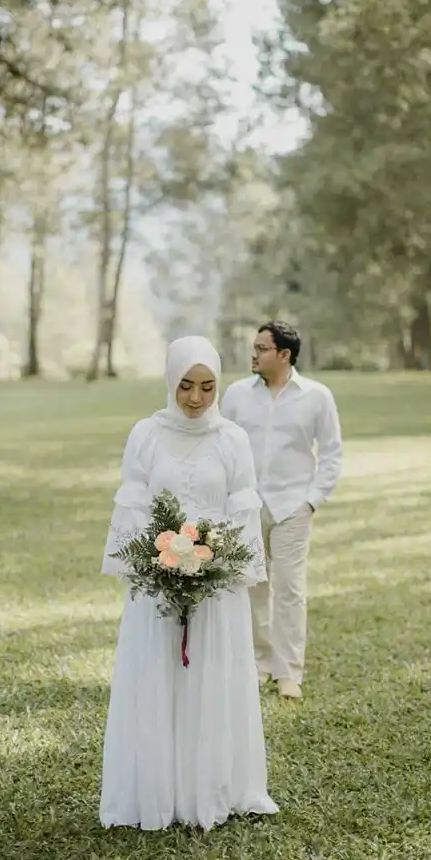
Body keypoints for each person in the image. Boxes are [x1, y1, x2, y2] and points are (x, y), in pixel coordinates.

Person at [99, 335, 279, 832]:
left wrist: (219, 566)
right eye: (185, 385)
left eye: (206, 386)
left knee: (211, 681)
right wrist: (155, 565)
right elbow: (133, 507)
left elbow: (243, 510)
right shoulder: (145, 435)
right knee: (158, 680)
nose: (195, 398)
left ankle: (212, 789)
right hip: (157, 589)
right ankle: (157, 791)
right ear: (170, 381)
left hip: (215, 590)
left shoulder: (232, 439)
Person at [220, 321, 343, 700]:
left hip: (293, 506)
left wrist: (311, 501)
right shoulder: (237, 395)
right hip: (248, 505)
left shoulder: (317, 396)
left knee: (290, 589)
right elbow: (221, 445)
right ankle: (259, 666)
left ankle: (289, 673)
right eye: (254, 347)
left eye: (261, 348)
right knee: (254, 587)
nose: (253, 354)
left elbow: (332, 453)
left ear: (284, 354)